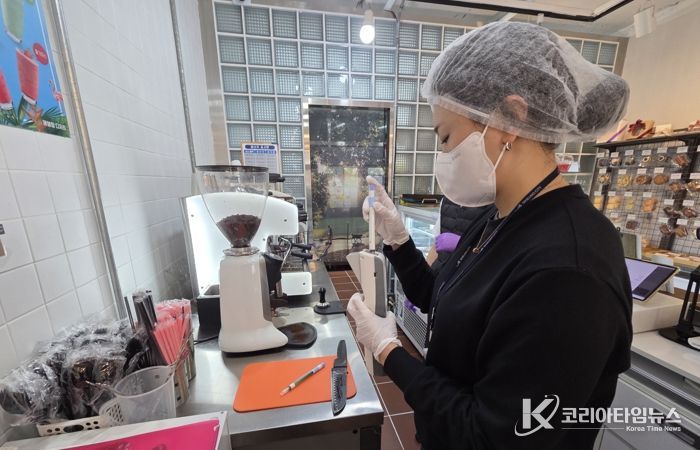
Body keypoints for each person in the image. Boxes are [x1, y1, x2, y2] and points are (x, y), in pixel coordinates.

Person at [348, 22, 632, 450]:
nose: (443, 155)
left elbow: (491, 435)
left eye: (446, 137)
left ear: (510, 117)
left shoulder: (568, 270)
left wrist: (390, 352)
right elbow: (444, 300)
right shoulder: (499, 216)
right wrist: (398, 241)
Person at [427, 197, 493, 273]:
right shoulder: (446, 200)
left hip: (467, 274)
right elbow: (435, 246)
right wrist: (426, 273)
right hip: (440, 273)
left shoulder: (493, 205)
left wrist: (463, 245)